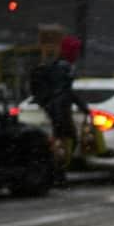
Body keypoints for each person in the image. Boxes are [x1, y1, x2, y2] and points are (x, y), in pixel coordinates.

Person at [35, 35, 91, 175]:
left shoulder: (59, 65)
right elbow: (64, 92)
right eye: (76, 50)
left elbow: (64, 91)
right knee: (66, 140)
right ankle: (57, 170)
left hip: (56, 108)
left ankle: (58, 170)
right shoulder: (63, 67)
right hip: (59, 110)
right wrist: (80, 107)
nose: (77, 54)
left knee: (62, 140)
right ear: (70, 51)